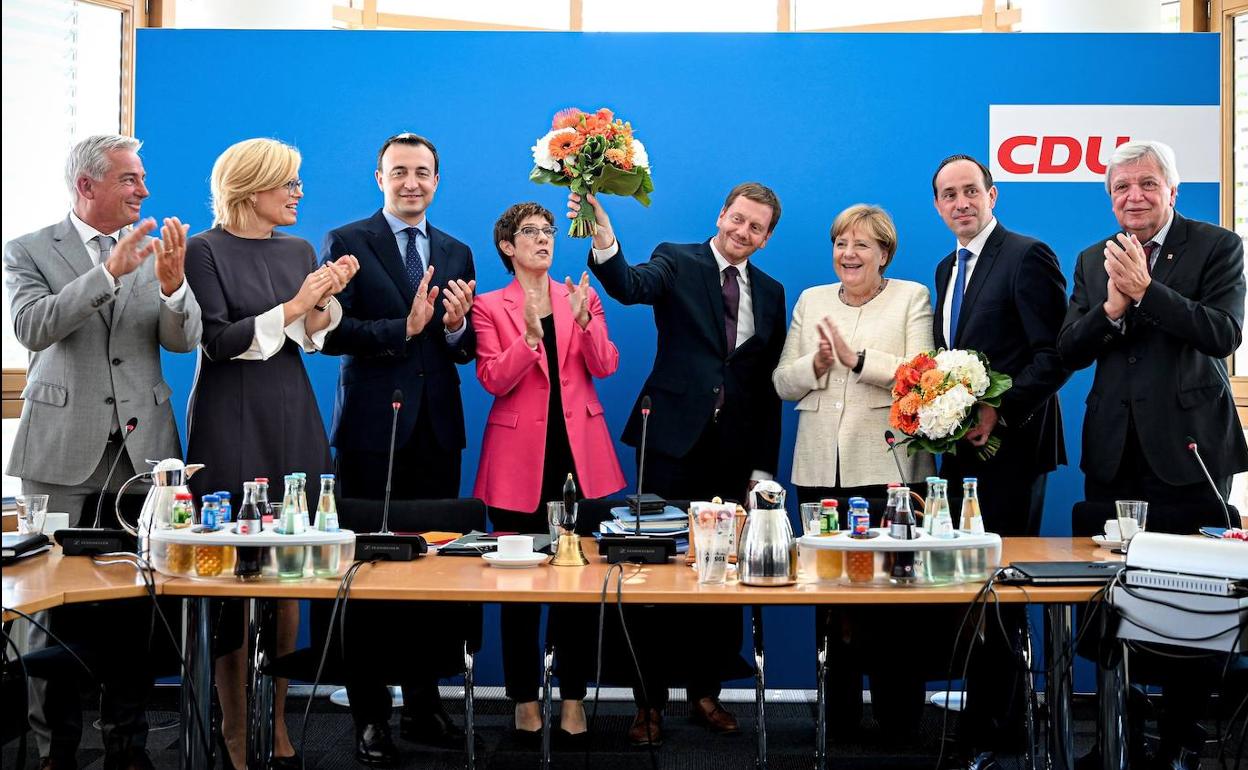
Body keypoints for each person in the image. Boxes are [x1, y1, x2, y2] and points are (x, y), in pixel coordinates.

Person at [4, 133, 201, 770]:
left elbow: (181, 338)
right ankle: (55, 750)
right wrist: (105, 274)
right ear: (87, 186)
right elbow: (32, 327)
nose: (143, 191)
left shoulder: (154, 251)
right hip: (59, 454)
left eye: (141, 179)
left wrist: (172, 287)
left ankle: (127, 747)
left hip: (142, 456)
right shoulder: (28, 249)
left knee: (134, 606)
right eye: (129, 180)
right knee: (46, 608)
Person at [575, 184, 787, 745]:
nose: (742, 233)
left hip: (734, 455)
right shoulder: (677, 256)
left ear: (766, 238)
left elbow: (767, 389)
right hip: (668, 442)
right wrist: (604, 238)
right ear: (721, 214)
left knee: (721, 578)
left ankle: (706, 693)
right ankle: (648, 703)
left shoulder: (772, 291)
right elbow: (629, 285)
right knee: (655, 576)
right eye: (737, 219)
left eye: (756, 228)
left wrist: (762, 469)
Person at [1059, 140, 1247, 769]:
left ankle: (1182, 740)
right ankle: (1124, 734)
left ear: (1173, 192)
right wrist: (1112, 309)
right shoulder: (1092, 259)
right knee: (1114, 601)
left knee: (1196, 603)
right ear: (1109, 197)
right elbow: (1069, 349)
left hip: (1191, 455)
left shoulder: (1217, 245)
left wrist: (1146, 292)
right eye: (1121, 188)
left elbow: (1223, 333)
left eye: (1146, 185)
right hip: (1114, 456)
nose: (1133, 196)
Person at [183, 137, 357, 770]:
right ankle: (234, 728)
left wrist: (326, 303)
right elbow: (222, 341)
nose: (298, 194)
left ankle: (278, 718)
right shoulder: (203, 251)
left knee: (289, 569)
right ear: (251, 187)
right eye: (288, 183)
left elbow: (307, 340)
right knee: (232, 576)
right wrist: (299, 302)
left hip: (292, 410)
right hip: (231, 414)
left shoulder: (299, 249)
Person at [319, 132, 476, 765]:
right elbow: (328, 332)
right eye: (399, 172)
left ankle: (424, 701)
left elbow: (463, 350)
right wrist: (400, 329)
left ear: (438, 180)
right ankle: (369, 714)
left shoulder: (457, 250)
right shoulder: (346, 242)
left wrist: (457, 325)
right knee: (369, 571)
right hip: (370, 430)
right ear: (378, 177)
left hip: (437, 428)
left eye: (423, 172)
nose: (412, 182)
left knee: (432, 570)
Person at [772, 203, 935, 737]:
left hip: (889, 466)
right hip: (820, 468)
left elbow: (922, 374)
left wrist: (857, 357)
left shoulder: (911, 297)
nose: (849, 254)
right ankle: (837, 715)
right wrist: (816, 363)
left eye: (862, 245)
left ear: (884, 253)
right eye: (842, 244)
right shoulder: (811, 300)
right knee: (830, 596)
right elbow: (782, 382)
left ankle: (899, 716)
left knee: (894, 599)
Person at [929, 154, 1070, 769]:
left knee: (1002, 585)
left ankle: (1002, 728)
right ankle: (988, 716)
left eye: (970, 192)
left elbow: (1055, 354)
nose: (961, 203)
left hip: (1011, 449)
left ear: (993, 195)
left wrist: (998, 410)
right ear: (938, 207)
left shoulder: (1026, 254)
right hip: (960, 454)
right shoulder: (945, 268)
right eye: (948, 195)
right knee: (969, 585)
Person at [472, 201, 626, 741]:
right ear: (508, 248)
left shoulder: (580, 293)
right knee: (518, 587)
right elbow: (492, 378)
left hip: (579, 458)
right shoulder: (490, 305)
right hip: (518, 463)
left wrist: (583, 322)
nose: (543, 239)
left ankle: (574, 696)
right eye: (529, 233)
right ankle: (521, 697)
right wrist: (530, 338)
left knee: (576, 585)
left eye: (548, 231)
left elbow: (606, 365)